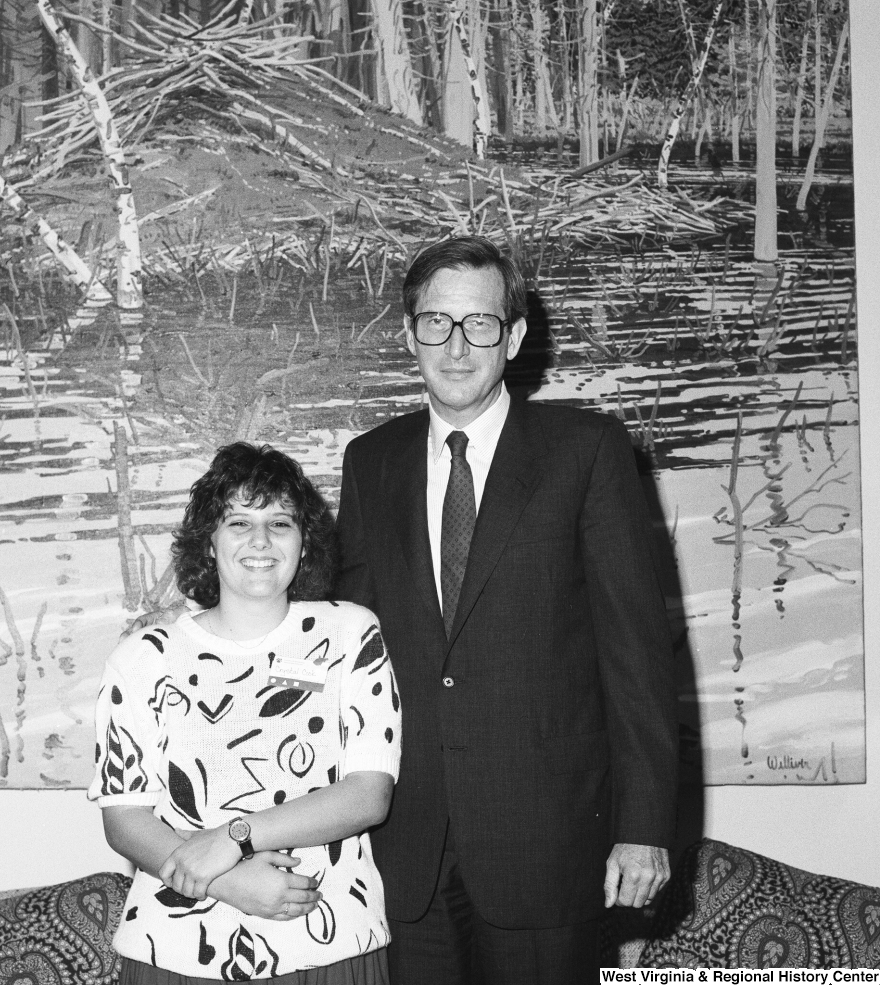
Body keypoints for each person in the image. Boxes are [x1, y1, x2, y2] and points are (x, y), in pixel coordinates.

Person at [334, 236, 679, 984]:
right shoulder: (371, 461)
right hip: (406, 849)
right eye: (436, 322)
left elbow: (639, 657)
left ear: (514, 336)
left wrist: (644, 828)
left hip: (546, 848)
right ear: (409, 332)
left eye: (480, 324)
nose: (456, 347)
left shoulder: (586, 451)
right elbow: (344, 655)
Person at [92, 442, 401, 984]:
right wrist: (225, 881)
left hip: (327, 944)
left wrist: (233, 837)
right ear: (208, 542)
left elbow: (368, 794)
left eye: (280, 523)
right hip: (177, 951)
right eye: (238, 522)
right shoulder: (142, 658)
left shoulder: (350, 633)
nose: (260, 540)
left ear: (304, 543)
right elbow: (124, 817)